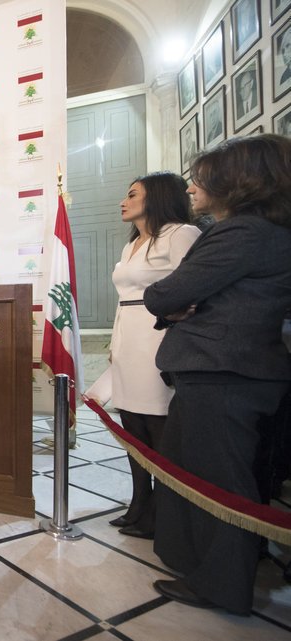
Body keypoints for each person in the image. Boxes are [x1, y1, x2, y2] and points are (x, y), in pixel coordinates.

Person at [143, 135, 291, 615]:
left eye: (201, 178)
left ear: (238, 181)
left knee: (220, 484)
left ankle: (222, 585)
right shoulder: (267, 231)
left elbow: (164, 295)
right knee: (200, 474)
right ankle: (208, 566)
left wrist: (173, 301)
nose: (191, 187)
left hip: (223, 370)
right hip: (231, 369)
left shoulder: (243, 232)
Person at [105, 173, 200, 539]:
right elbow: (125, 299)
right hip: (128, 339)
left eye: (132, 195)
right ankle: (139, 503)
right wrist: (114, 343)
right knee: (133, 429)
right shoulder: (132, 243)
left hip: (159, 339)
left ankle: (165, 511)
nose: (123, 202)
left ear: (158, 197)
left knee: (158, 426)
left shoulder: (181, 234)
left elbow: (197, 287)